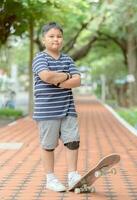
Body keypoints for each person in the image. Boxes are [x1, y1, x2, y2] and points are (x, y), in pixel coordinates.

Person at [32, 22, 81, 192]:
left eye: (59, 36)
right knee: (48, 145)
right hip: (47, 111)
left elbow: (78, 80)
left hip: (68, 109)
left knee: (73, 141)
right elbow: (46, 76)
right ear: (43, 39)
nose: (56, 39)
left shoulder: (67, 59)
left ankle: (73, 175)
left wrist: (59, 82)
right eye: (51, 36)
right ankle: (50, 178)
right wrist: (66, 76)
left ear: (62, 39)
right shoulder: (40, 58)